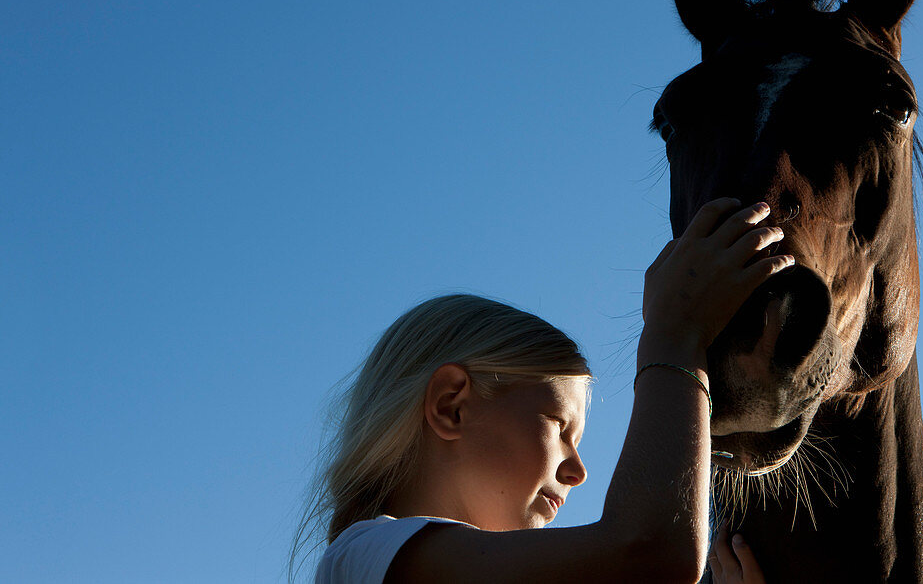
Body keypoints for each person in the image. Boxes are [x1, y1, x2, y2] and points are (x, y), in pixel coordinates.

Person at [294, 197, 787, 583]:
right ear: (451, 407)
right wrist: (675, 338)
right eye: (558, 426)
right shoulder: (361, 558)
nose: (577, 471)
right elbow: (652, 548)